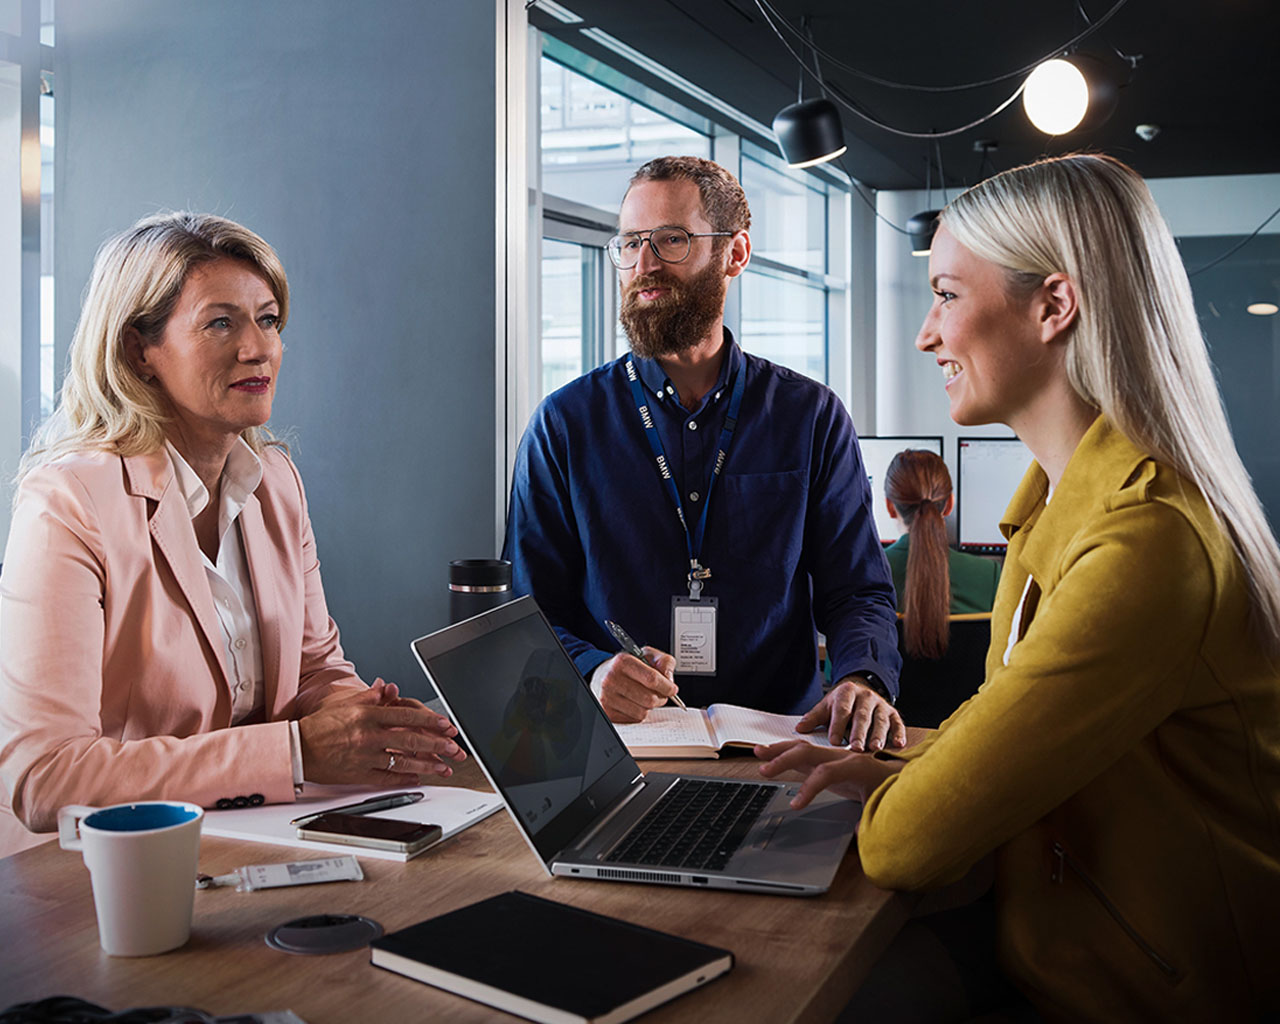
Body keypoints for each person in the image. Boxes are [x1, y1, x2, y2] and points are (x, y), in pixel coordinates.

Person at [755, 154, 1280, 1020]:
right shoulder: (1052, 509)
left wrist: (884, 792)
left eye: (948, 295)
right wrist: (875, 766)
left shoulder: (1145, 542)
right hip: (1056, 938)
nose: (927, 334)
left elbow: (906, 845)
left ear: (1054, 306)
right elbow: (1000, 733)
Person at [0, 212, 466, 857]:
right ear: (140, 350)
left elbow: (313, 670)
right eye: (221, 322)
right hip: (97, 875)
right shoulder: (67, 501)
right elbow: (46, 776)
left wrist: (374, 723)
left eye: (268, 319)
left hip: (252, 837)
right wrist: (298, 751)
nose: (258, 348)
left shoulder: (274, 479)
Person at [503, 156, 903, 751]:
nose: (643, 265)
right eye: (632, 242)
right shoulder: (564, 425)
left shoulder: (810, 417)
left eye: (670, 240)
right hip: (620, 754)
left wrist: (862, 679)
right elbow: (527, 609)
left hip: (780, 750)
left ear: (734, 254)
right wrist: (591, 670)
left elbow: (857, 591)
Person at [882, 448, 999, 657]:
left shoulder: (867, 574)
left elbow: (838, 672)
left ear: (890, 507)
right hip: (975, 691)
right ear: (949, 505)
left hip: (889, 691)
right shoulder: (990, 575)